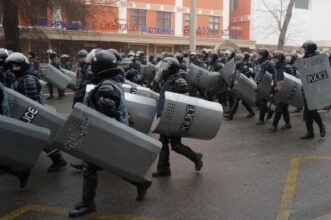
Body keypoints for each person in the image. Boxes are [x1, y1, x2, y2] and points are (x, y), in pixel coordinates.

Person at [69, 50, 152, 217]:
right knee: (109, 166)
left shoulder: (106, 86)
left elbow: (107, 113)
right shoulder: (109, 82)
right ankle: (141, 183)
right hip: (107, 135)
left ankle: (88, 204)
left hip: (105, 135)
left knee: (90, 168)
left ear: (99, 67)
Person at [6, 52, 68, 172]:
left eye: (17, 66)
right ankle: (57, 160)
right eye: (13, 66)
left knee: (41, 139)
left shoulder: (28, 79)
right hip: (30, 113)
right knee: (40, 140)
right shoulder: (22, 77)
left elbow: (30, 101)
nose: (14, 69)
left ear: (23, 65)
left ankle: (56, 160)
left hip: (31, 113)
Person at [152, 57, 203, 178]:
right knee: (163, 142)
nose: (162, 70)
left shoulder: (178, 81)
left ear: (171, 69)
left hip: (174, 117)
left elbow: (184, 101)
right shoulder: (169, 79)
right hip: (166, 115)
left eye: (164, 68)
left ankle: (196, 158)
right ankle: (163, 169)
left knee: (175, 145)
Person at [300, 41, 326, 139]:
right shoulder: (306, 57)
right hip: (306, 86)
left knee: (312, 110)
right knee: (307, 111)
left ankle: (321, 126)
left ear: (310, 48)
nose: (304, 50)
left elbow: (321, 72)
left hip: (315, 87)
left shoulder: (318, 58)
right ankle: (310, 132)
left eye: (305, 48)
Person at [225, 54, 255, 120]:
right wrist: (230, 86)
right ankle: (252, 112)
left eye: (237, 60)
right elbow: (234, 77)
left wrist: (249, 72)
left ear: (241, 60)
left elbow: (251, 75)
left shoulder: (245, 66)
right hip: (236, 85)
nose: (236, 61)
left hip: (242, 86)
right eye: (235, 60)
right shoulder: (236, 66)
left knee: (236, 100)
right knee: (244, 101)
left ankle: (231, 116)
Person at [269, 51, 291, 132]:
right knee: (284, 108)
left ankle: (274, 126)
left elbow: (292, 79)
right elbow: (273, 80)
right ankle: (288, 123)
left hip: (285, 90)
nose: (275, 60)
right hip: (277, 90)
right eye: (274, 58)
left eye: (277, 58)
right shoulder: (275, 67)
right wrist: (271, 90)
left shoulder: (287, 67)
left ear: (281, 58)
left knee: (279, 107)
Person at [254, 48, 273, 125]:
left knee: (261, 102)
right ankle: (270, 110)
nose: (258, 55)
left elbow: (270, 75)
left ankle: (261, 119)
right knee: (257, 102)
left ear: (264, 55)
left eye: (260, 54)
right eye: (258, 54)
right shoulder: (258, 62)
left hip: (265, 85)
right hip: (258, 84)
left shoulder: (268, 63)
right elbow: (258, 72)